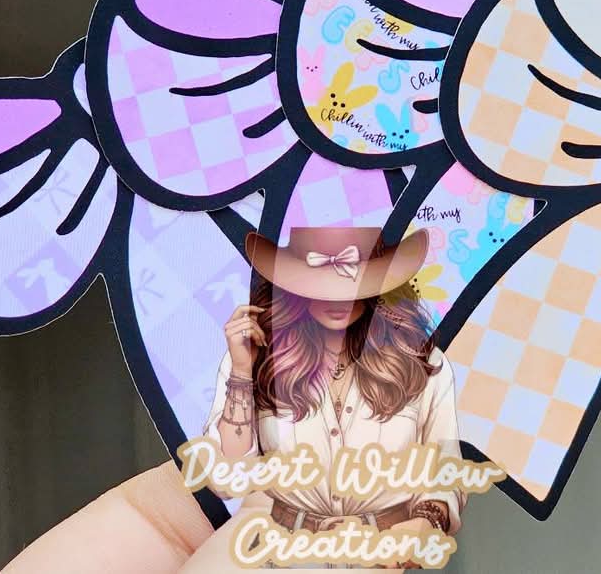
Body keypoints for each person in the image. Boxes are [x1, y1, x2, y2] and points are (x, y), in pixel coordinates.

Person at [198, 226, 465, 568]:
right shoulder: (255, 357)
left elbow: (445, 470)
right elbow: (227, 479)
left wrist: (426, 522)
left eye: (351, 286)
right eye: (320, 286)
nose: (336, 301)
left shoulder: (424, 362)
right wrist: (240, 373)